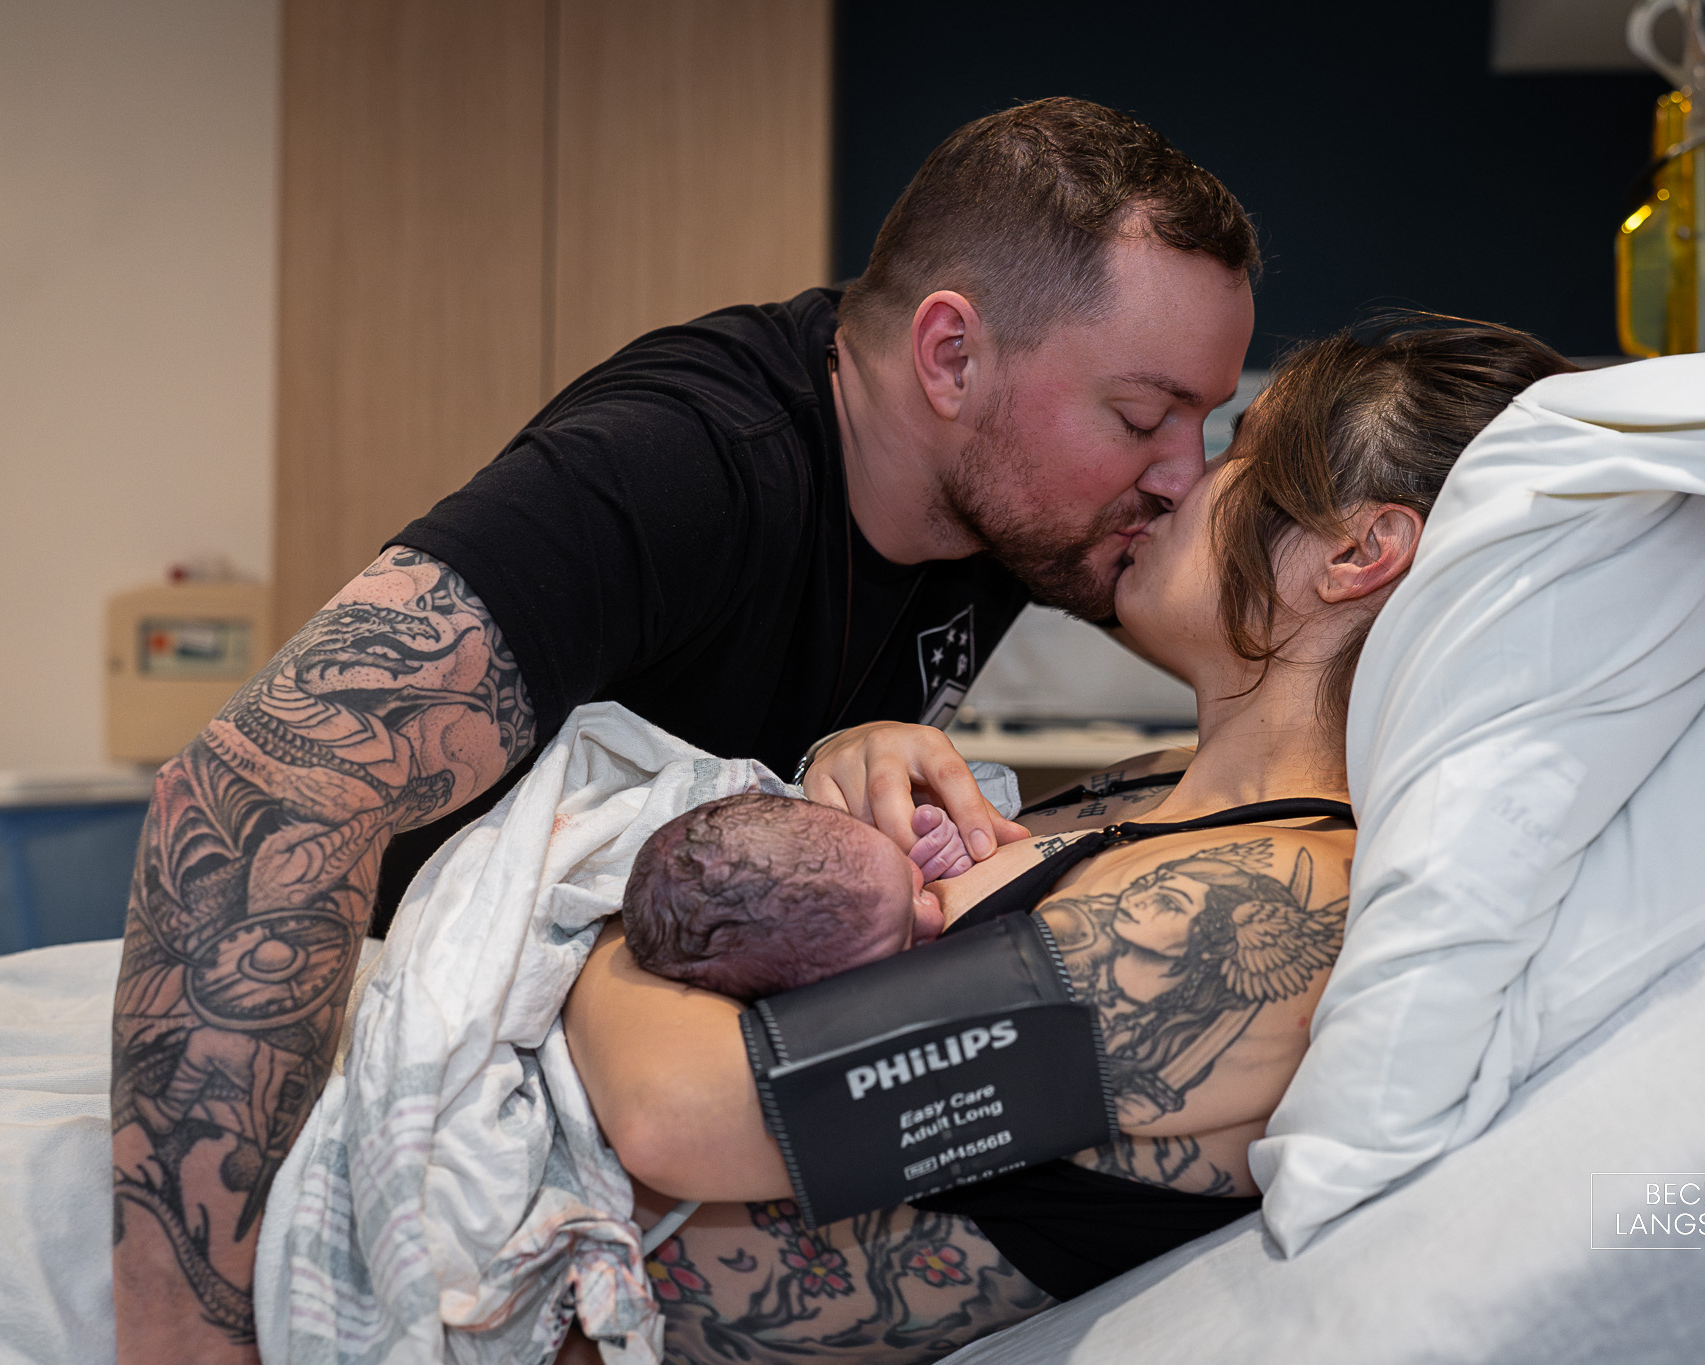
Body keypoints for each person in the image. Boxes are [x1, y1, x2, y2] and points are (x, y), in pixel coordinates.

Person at [109, 97, 1258, 1359]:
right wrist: (185, 1343)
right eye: (1144, 417)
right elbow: (260, 786)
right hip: (420, 1059)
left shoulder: (999, 514)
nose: (1177, 473)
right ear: (949, 358)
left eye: (1203, 427)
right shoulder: (691, 464)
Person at [562, 317, 1579, 1364]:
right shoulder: (1163, 792)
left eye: (1236, 451)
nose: (1173, 483)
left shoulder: (1267, 910)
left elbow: (673, 1112)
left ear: (1355, 552)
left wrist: (613, 897)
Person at [622, 795, 967, 998]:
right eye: (905, 942)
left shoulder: (861, 851)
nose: (935, 915)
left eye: (912, 880)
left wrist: (936, 841)